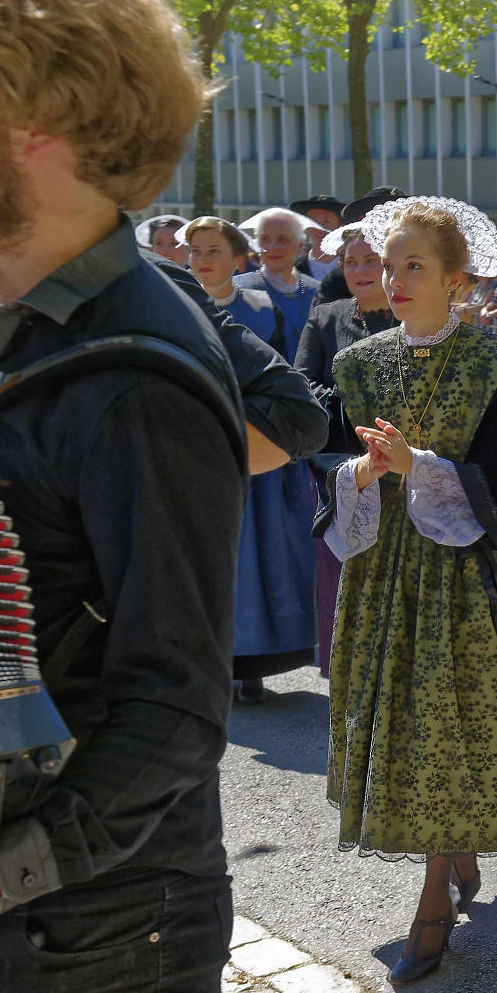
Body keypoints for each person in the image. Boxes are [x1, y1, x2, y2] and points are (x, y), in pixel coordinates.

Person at [0, 0, 249, 993]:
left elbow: (177, 706)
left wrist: (1, 874)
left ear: (45, 114)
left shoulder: (137, 371)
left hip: (102, 931)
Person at [318, 197, 497, 985]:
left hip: (460, 578)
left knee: (443, 723)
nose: (395, 277)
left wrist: (423, 467)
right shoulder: (358, 362)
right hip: (383, 572)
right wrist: (362, 472)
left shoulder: (496, 366)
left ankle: (431, 898)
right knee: (402, 725)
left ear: (457, 280)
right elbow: (326, 462)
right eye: (389, 265)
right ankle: (450, 848)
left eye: (414, 265)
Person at [183, 216, 317, 703]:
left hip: (256, 450)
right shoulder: (173, 309)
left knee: (260, 556)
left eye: (213, 250)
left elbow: (286, 378)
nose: (201, 259)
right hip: (195, 448)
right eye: (195, 250)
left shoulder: (263, 308)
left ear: (238, 260)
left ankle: (253, 663)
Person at [298, 226, 409, 672]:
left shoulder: (414, 316)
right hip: (343, 466)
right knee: (344, 575)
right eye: (350, 262)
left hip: (408, 467)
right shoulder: (327, 317)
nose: (360, 271)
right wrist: (353, 408)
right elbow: (302, 385)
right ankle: (350, 672)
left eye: (371, 260)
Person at [236, 207, 322, 345]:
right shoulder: (240, 288)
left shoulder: (316, 291)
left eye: (282, 239)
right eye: (265, 239)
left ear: (299, 246)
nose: (273, 246)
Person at [290, 194, 346, 281]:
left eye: (327, 221)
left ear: (340, 226)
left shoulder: (350, 264)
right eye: (313, 221)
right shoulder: (295, 269)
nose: (319, 227)